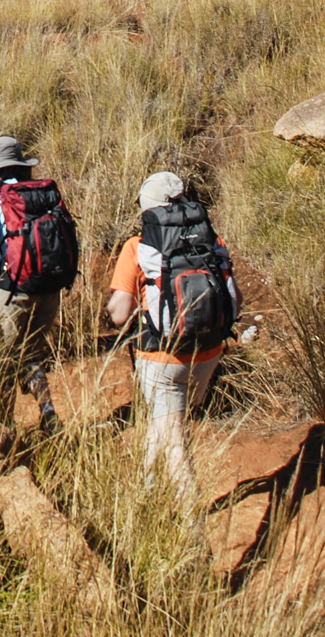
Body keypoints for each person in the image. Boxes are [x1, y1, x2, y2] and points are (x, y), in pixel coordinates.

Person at [104, 171, 239, 510]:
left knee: (175, 441)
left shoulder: (137, 246)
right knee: (163, 423)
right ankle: (144, 496)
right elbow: (233, 299)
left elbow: (120, 315)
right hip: (209, 352)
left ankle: (194, 535)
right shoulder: (213, 240)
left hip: (162, 358)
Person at [0, 135, 67, 431]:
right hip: (49, 286)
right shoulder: (43, 192)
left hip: (13, 285)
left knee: (6, 357)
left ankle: (5, 424)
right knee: (32, 355)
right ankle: (48, 411)